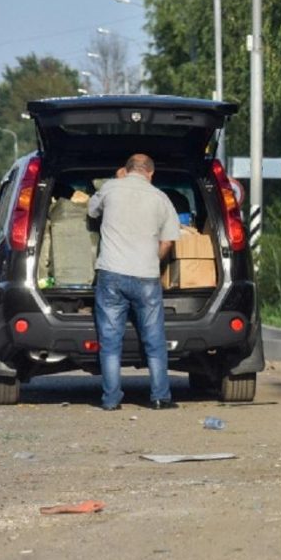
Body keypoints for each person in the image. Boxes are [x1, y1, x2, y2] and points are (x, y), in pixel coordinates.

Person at [88, 153, 181, 411]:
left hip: (111, 274)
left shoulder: (110, 188)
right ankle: (161, 397)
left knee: (109, 341)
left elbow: (91, 210)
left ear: (125, 170)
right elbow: (168, 241)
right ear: (150, 173)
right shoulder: (161, 198)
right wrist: (154, 259)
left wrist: (114, 181)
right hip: (147, 276)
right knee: (154, 340)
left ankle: (110, 400)